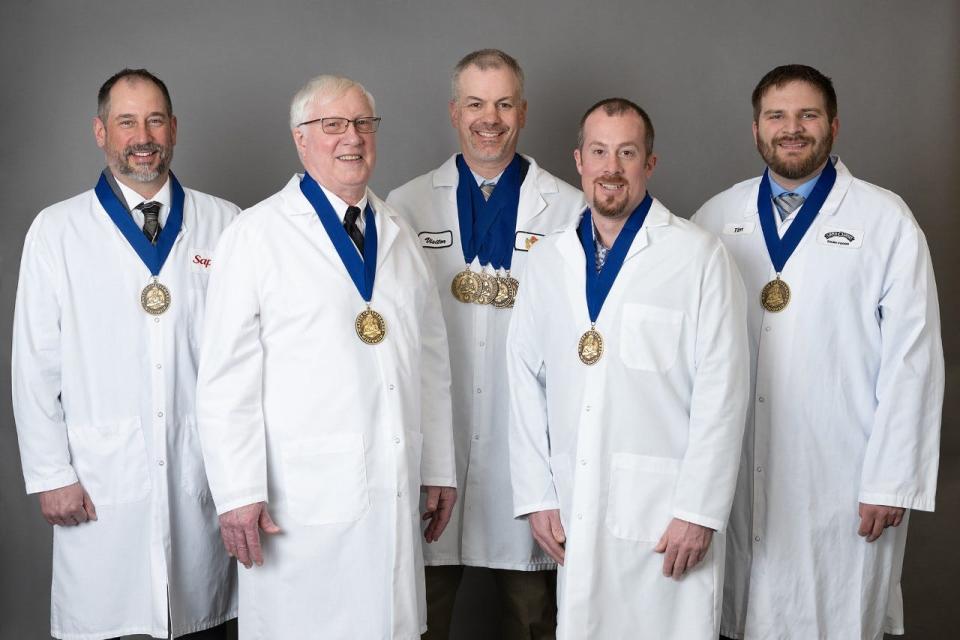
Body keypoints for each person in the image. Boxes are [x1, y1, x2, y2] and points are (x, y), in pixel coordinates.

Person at [195, 74, 457, 639]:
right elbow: (224, 378)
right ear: (301, 139)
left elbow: (430, 361)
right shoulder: (256, 234)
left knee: (389, 622)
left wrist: (437, 465)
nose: (352, 138)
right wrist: (238, 492)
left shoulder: (398, 233)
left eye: (363, 123)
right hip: (300, 495)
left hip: (390, 483)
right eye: (333, 125)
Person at [692, 64, 944, 640]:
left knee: (833, 614)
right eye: (776, 116)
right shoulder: (715, 217)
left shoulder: (884, 220)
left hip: (842, 472)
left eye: (807, 115)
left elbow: (914, 360)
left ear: (833, 125)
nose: (792, 128)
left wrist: (890, 481)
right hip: (735, 467)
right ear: (755, 129)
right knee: (738, 615)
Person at [506, 97, 749, 639]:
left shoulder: (697, 256)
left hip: (667, 515)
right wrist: (538, 496)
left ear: (650, 164)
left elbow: (724, 393)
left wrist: (700, 510)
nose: (611, 167)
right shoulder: (548, 261)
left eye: (627, 152)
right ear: (579, 161)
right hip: (574, 504)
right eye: (599, 152)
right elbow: (523, 382)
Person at [12, 68, 238, 640]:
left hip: (204, 475)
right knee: (108, 621)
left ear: (175, 129)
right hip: (100, 478)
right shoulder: (57, 230)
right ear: (100, 131)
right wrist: (50, 474)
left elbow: (248, 360)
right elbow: (34, 364)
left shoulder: (227, 223)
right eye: (127, 121)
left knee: (204, 620)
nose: (143, 136)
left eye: (155, 120)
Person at [387, 49, 584, 639]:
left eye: (502, 103)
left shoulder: (569, 208)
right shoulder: (405, 205)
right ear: (454, 112)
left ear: (522, 112)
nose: (489, 118)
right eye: (475, 103)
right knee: (418, 617)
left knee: (532, 618)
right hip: (433, 450)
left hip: (527, 452)